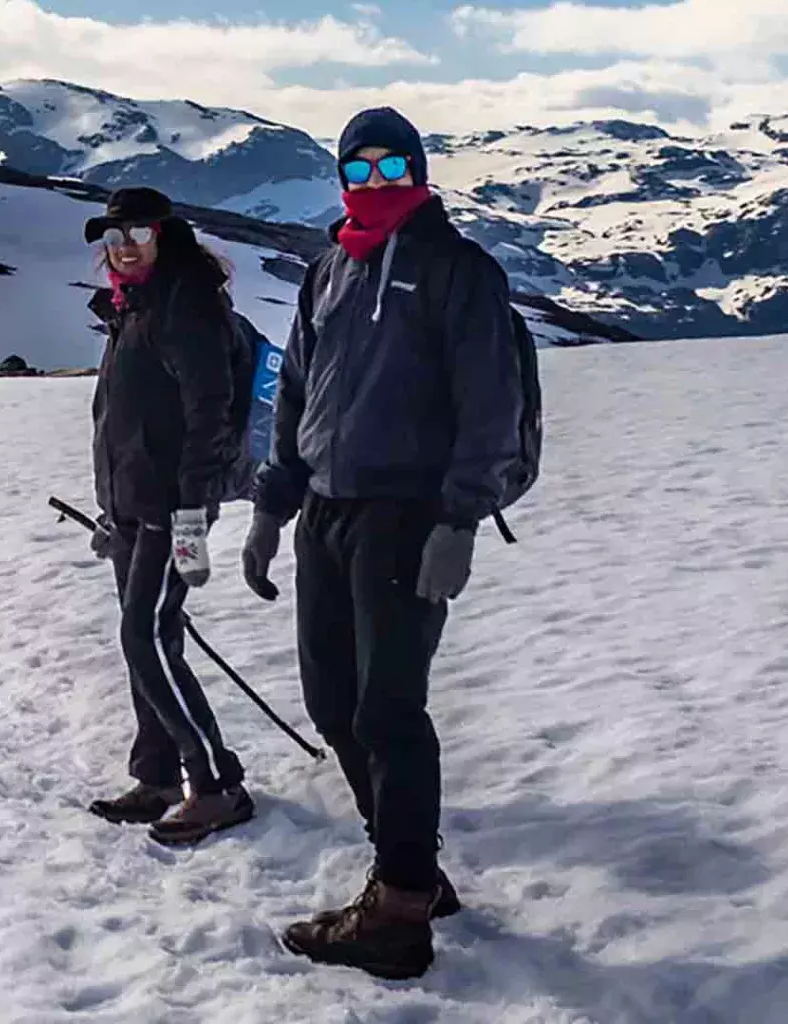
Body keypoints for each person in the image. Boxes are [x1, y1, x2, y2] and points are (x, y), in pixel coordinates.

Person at [240, 107, 526, 979]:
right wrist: (270, 504)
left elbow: (491, 403)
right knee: (333, 703)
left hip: (408, 516)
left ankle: (399, 912)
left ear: (419, 169)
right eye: (358, 171)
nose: (376, 184)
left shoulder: (456, 271)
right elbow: (296, 394)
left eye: (391, 166)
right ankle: (409, 864)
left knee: (388, 709)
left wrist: (460, 520)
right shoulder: (328, 269)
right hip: (326, 511)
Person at [81, 187, 255, 847]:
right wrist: (110, 509)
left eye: (139, 233)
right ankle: (155, 775)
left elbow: (210, 413)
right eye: (114, 236)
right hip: (130, 509)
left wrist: (189, 513)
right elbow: (123, 422)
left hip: (168, 509)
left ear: (167, 236)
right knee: (152, 640)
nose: (124, 246)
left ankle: (215, 786)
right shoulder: (133, 309)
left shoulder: (187, 308)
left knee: (145, 638)